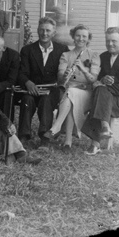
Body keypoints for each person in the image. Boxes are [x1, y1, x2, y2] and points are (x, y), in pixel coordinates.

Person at [83, 27, 119, 155]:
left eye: (114, 41)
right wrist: (103, 79)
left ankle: (96, 142)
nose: (110, 44)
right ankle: (104, 128)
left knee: (101, 94)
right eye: (107, 41)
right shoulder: (103, 57)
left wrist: (107, 86)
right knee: (101, 93)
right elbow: (97, 78)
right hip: (106, 98)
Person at [44, 24, 100, 152]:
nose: (81, 39)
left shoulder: (94, 56)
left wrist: (82, 69)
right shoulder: (66, 55)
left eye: (84, 36)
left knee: (71, 94)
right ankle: (67, 143)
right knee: (71, 94)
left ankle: (57, 127)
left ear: (88, 38)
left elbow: (93, 79)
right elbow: (60, 79)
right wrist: (65, 74)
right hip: (69, 92)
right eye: (78, 36)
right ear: (73, 37)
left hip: (87, 94)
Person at [17, 16, 69, 145]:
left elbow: (66, 74)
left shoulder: (62, 50)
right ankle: (23, 136)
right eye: (41, 30)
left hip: (51, 92)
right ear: (37, 30)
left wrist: (65, 77)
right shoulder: (27, 50)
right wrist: (27, 82)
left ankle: (45, 137)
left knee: (46, 101)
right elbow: (22, 72)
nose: (44, 33)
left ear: (54, 33)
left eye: (48, 30)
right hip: (32, 90)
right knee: (27, 100)